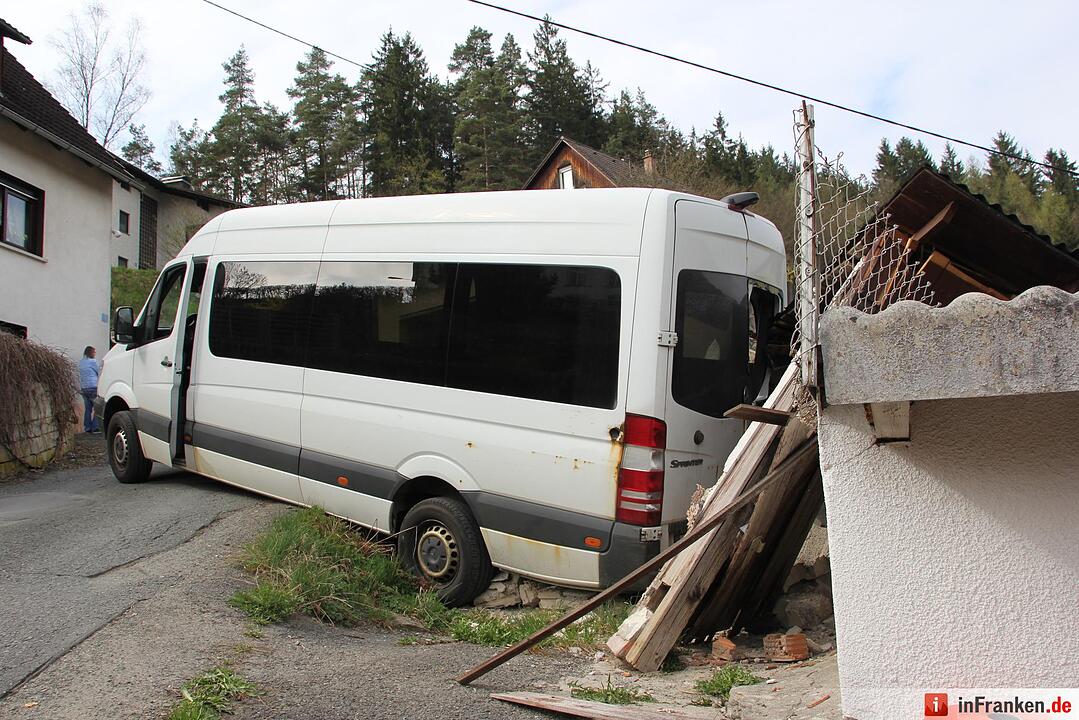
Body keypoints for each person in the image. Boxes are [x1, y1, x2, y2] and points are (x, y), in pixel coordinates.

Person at [78, 346, 101, 433]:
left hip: (84, 388)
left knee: (88, 409)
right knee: (97, 408)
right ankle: (95, 428)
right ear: (91, 353)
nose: (95, 354)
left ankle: (87, 428)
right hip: (93, 387)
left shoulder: (81, 362)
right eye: (94, 352)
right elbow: (99, 372)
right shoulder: (93, 362)